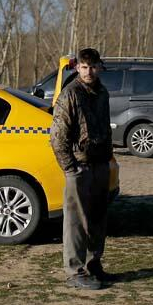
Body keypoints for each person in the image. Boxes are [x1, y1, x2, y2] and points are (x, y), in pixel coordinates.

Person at [50, 48, 114, 290]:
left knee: (98, 219)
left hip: (99, 164)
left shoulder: (102, 93)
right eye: (84, 67)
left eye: (93, 66)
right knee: (76, 222)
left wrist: (108, 158)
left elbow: (106, 128)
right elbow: (57, 137)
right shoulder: (70, 95)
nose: (89, 71)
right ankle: (75, 269)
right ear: (77, 67)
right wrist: (70, 167)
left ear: (99, 67)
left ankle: (93, 264)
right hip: (79, 166)